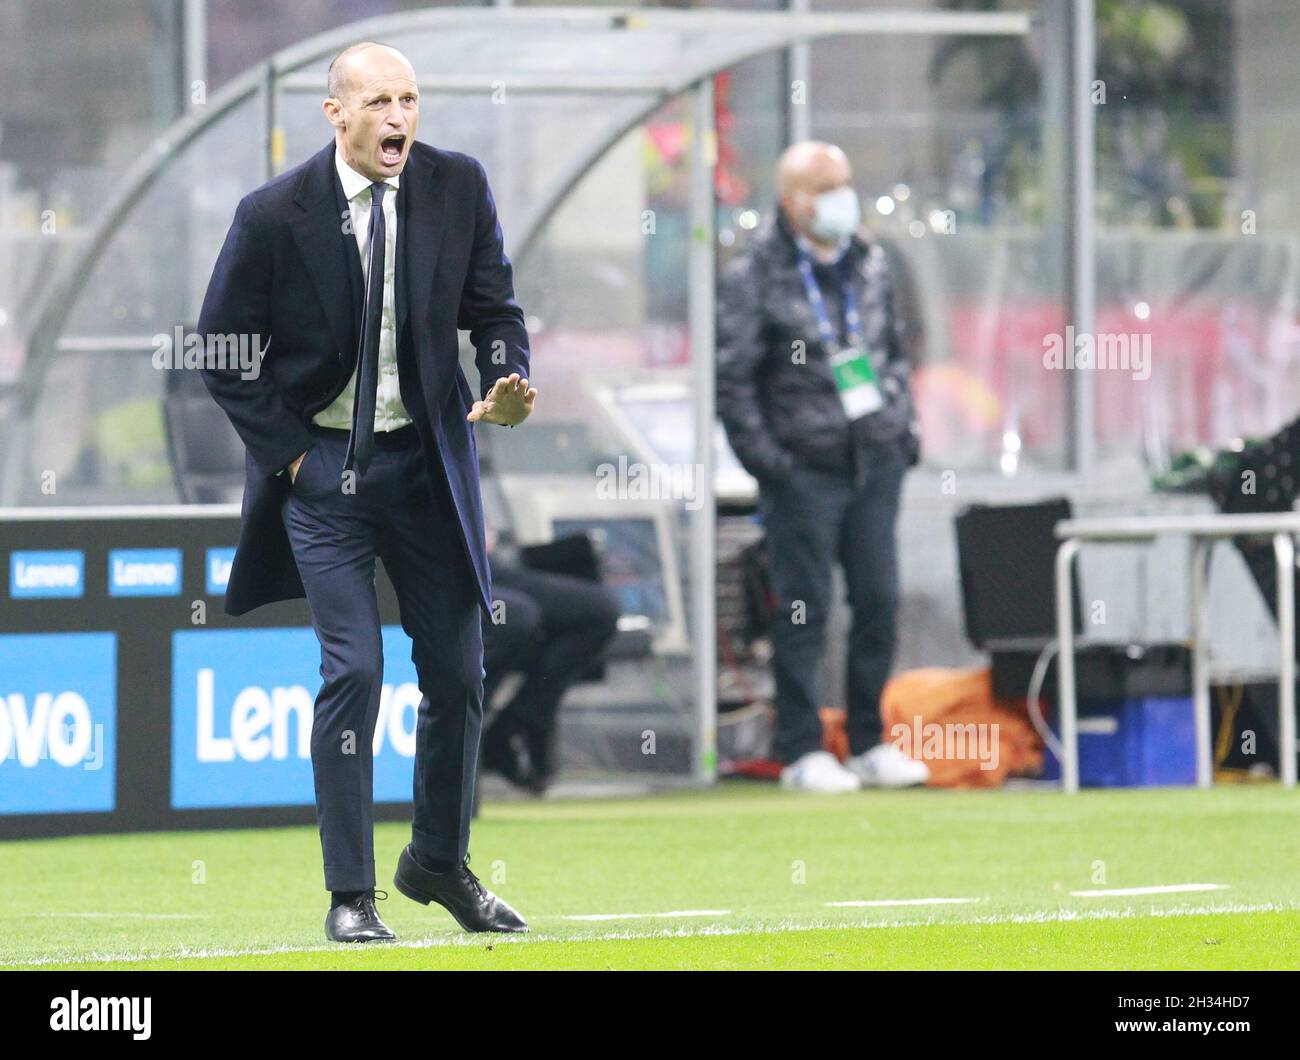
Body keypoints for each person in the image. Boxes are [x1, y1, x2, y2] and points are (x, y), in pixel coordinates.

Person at [198, 41, 536, 941]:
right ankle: (350, 896)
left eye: (410, 100)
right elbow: (222, 353)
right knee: (353, 670)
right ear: (336, 113)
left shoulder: (457, 186)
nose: (399, 119)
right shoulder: (273, 215)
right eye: (380, 102)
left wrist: (503, 378)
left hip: (426, 470)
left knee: (459, 671)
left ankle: (437, 864)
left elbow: (495, 311)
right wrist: (293, 462)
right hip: (324, 477)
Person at [716, 141, 929, 793]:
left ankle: (868, 741)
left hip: (875, 461)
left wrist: (901, 428)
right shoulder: (755, 273)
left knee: (879, 601)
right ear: (791, 200)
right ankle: (801, 748)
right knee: (804, 607)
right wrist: (772, 465)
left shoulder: (871, 261)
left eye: (845, 182)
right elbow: (734, 379)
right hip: (802, 471)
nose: (841, 196)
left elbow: (893, 349)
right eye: (825, 185)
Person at [480, 538, 622, 795]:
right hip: (449, 566)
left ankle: (515, 722)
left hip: (489, 565)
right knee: (520, 615)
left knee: (601, 611)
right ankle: (471, 730)